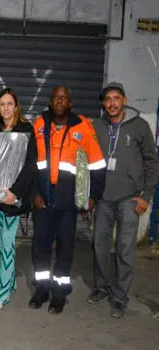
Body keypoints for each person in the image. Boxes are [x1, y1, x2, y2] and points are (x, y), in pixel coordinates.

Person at [29, 86, 106, 314]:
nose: (60, 101)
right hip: (43, 201)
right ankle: (42, 289)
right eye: (56, 97)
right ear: (50, 102)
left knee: (65, 250)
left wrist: (93, 196)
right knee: (40, 248)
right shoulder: (39, 125)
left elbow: (97, 166)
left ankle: (59, 294)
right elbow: (31, 164)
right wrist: (34, 194)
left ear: (70, 103)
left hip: (68, 203)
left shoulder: (83, 126)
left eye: (64, 98)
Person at [90, 82, 159, 318]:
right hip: (103, 199)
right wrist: (88, 194)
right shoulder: (97, 126)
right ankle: (101, 286)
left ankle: (119, 296)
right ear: (103, 103)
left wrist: (146, 196)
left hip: (130, 199)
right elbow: (86, 158)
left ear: (125, 100)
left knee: (125, 250)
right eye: (107, 99)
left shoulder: (139, 126)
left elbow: (151, 162)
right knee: (99, 245)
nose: (112, 103)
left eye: (116, 98)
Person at [0, 88, 37, 310]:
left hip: (13, 199)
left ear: (16, 106)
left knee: (7, 245)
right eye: (2, 104)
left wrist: (16, 192)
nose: (5, 108)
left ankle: (2, 292)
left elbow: (30, 166)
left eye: (9, 104)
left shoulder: (26, 131)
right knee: (2, 243)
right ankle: (9, 281)